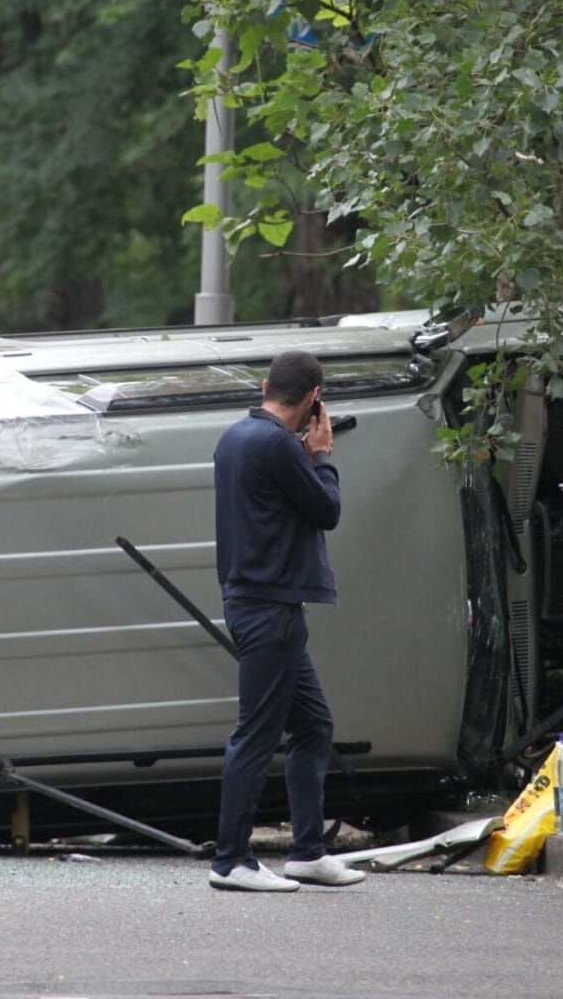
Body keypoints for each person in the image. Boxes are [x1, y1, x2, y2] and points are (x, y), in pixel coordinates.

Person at [207, 350, 366, 892]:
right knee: (256, 733)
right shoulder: (280, 445)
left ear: (265, 385)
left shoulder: (236, 437)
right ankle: (230, 861)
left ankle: (307, 852)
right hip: (269, 609)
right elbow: (327, 510)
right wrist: (322, 455)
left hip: (257, 604)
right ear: (313, 398)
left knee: (313, 724)